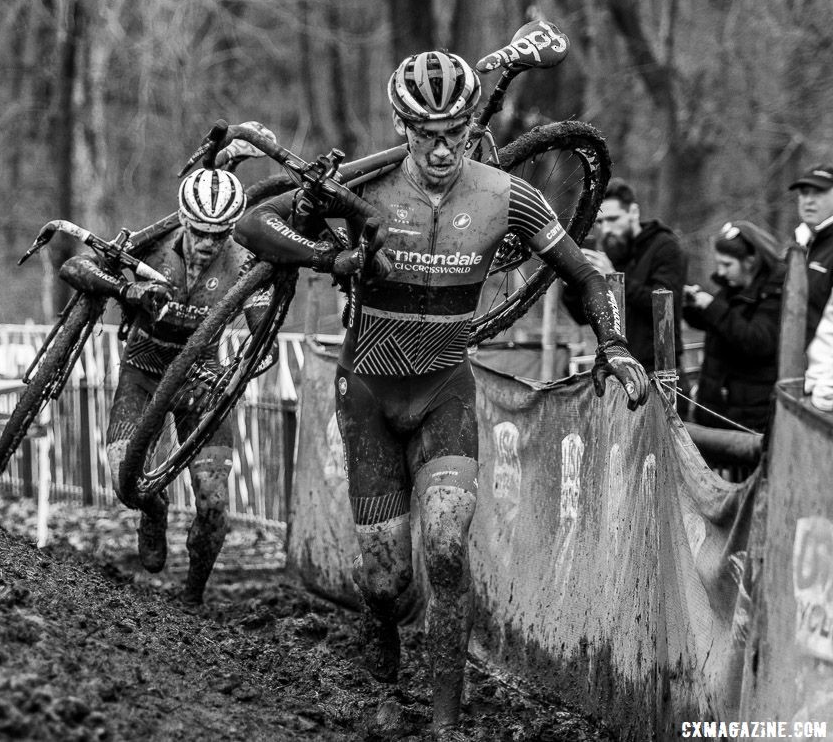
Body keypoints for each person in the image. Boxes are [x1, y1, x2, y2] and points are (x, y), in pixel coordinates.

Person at [233, 50, 649, 735]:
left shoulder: (505, 194)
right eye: (425, 131)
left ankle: (446, 723)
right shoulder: (363, 188)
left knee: (449, 549)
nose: (441, 146)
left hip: (444, 393)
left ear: (469, 124)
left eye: (454, 129)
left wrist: (613, 341)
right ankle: (383, 642)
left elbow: (585, 274)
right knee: (387, 580)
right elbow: (255, 225)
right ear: (402, 126)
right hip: (367, 394)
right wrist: (331, 257)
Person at [58, 145, 270, 606]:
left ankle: (193, 595)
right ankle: (153, 509)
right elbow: (73, 267)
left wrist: (254, 351)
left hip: (203, 380)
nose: (208, 243)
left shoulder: (243, 261)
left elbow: (262, 328)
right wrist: (126, 288)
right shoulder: (152, 245)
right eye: (199, 232)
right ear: (182, 218)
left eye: (219, 234)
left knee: (214, 506)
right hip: (143, 373)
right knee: (126, 483)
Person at [563, 178, 687, 373]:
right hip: (618, 370)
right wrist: (574, 283)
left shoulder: (666, 247)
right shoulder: (612, 251)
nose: (606, 229)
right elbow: (582, 316)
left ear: (633, 213)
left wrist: (613, 278)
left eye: (613, 219)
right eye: (599, 222)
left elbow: (663, 308)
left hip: (659, 371)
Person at [682, 221, 784, 435]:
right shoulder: (732, 289)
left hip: (749, 418)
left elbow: (756, 340)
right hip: (721, 410)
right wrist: (693, 307)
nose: (721, 271)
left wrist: (711, 306)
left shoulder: (774, 293)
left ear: (750, 261)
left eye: (727, 265)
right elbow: (717, 325)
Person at [789, 165, 833, 346]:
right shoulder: (798, 244)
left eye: (818, 193)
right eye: (804, 193)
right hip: (797, 368)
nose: (808, 201)